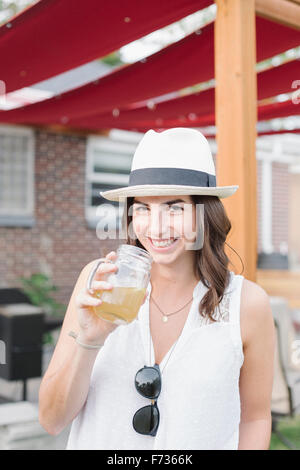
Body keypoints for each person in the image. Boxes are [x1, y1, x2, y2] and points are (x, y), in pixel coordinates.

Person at [39, 127, 275, 450]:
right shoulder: (98, 284)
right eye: (143, 208)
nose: (157, 226)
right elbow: (51, 420)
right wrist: (89, 342)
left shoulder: (246, 305)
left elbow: (255, 418)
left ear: (203, 212)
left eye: (174, 207)